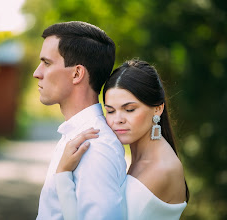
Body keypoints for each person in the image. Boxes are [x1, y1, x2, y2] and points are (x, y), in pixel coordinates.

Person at [55, 59, 190, 220]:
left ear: (157, 108)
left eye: (129, 109)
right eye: (110, 111)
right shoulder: (144, 159)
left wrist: (63, 174)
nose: (117, 120)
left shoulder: (161, 169)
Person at [33, 21, 127, 220]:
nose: (37, 73)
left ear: (77, 73)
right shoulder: (77, 135)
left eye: (47, 63)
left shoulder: (96, 146)